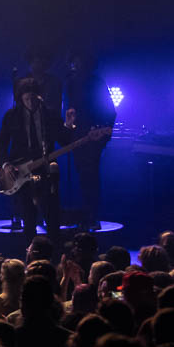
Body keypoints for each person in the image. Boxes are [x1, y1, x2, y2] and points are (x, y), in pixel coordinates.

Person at [0, 77, 77, 235]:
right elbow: (1, 143)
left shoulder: (50, 115)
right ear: (21, 98)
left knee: (52, 215)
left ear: (40, 97)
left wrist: (68, 125)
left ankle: (53, 247)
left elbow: (64, 141)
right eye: (27, 99)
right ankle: (30, 248)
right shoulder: (12, 116)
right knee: (28, 218)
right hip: (21, 170)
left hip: (47, 169)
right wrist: (5, 165)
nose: (31, 103)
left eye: (34, 98)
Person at [62, 51, 116, 230]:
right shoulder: (70, 83)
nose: (76, 67)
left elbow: (109, 110)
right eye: (74, 63)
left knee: (90, 174)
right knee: (81, 174)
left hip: (94, 135)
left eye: (79, 63)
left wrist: (103, 131)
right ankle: (81, 215)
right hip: (77, 135)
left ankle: (92, 214)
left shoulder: (96, 83)